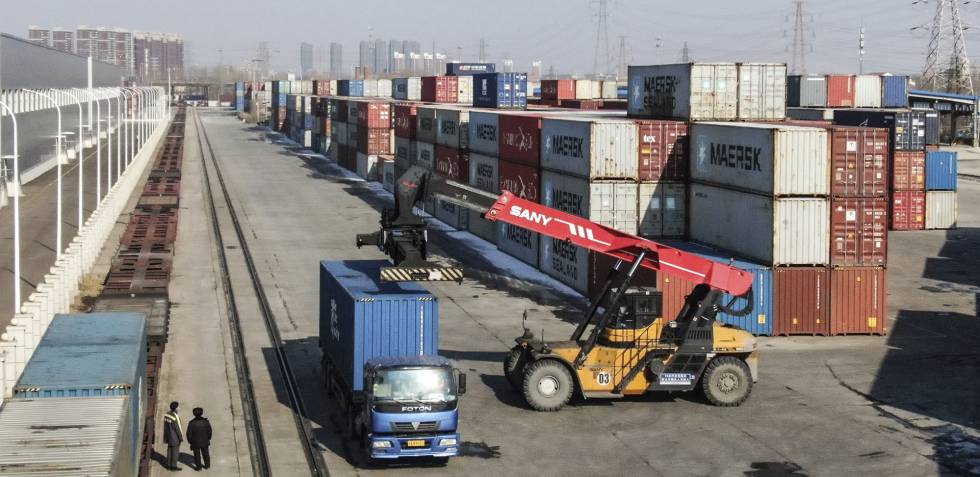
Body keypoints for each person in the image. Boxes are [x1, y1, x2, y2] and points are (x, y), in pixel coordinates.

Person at [163, 401, 183, 471]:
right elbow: (178, 429)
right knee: (175, 452)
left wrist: (165, 437)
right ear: (175, 409)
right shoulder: (175, 417)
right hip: (175, 438)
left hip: (168, 437)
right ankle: (174, 467)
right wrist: (181, 438)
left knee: (169, 451)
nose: (179, 408)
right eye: (178, 407)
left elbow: (165, 427)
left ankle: (168, 465)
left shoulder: (167, 415)